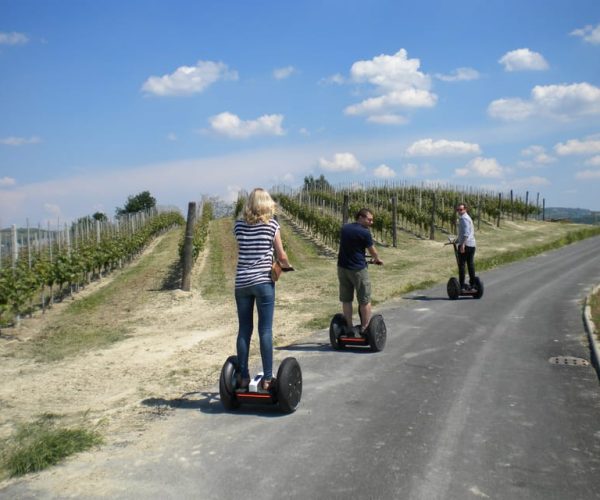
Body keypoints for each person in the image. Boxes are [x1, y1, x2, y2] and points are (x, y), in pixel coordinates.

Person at [233, 188, 291, 392]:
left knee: (244, 330)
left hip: (242, 283)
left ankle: (242, 377)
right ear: (267, 205)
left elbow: (243, 250)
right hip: (264, 282)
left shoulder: (238, 226)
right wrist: (286, 264)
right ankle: (267, 379)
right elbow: (281, 256)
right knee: (265, 330)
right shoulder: (272, 225)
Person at [337, 208, 383, 336]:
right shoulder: (364, 232)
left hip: (342, 268)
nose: (371, 222)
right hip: (357, 269)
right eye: (369, 219)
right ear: (361, 217)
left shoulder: (345, 228)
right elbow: (372, 251)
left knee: (346, 299)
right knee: (365, 300)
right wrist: (377, 259)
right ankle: (365, 328)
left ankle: (349, 327)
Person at [456, 202, 476, 291]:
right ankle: (473, 284)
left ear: (465, 209)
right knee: (470, 264)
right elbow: (465, 232)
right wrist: (457, 240)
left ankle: (462, 285)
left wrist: (462, 244)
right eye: (458, 210)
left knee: (462, 265)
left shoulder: (464, 218)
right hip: (472, 245)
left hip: (466, 245)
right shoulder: (468, 218)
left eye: (461, 209)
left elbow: (466, 233)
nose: (459, 211)